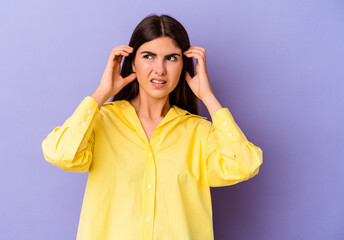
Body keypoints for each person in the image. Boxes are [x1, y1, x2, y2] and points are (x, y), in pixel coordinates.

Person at [42, 13, 263, 240]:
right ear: (132, 62)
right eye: (148, 56)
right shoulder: (100, 122)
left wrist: (208, 97)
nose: (159, 69)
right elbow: (61, 155)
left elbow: (244, 166)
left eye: (171, 58)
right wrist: (101, 93)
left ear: (184, 65)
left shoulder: (199, 133)